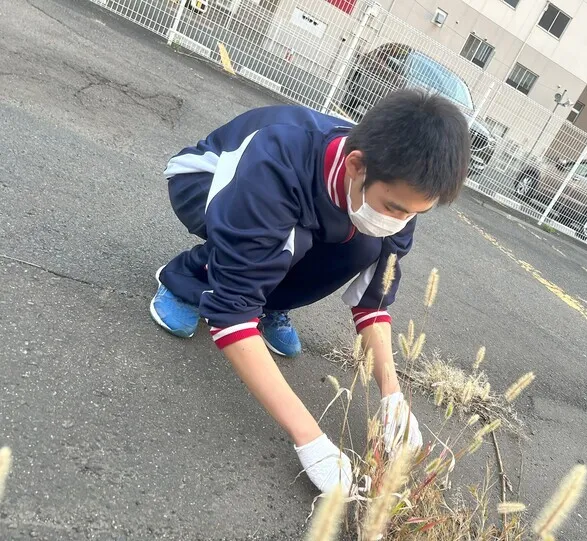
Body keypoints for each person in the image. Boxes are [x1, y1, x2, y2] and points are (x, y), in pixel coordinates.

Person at [150, 89, 471, 494]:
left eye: (414, 213)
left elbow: (373, 300)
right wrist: (310, 438)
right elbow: (231, 318)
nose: (402, 222)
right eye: (394, 208)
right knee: (286, 242)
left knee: (365, 243)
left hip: (294, 213)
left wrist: (393, 398)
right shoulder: (278, 160)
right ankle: (189, 279)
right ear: (356, 165)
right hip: (206, 181)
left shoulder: (397, 188)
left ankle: (265, 303)